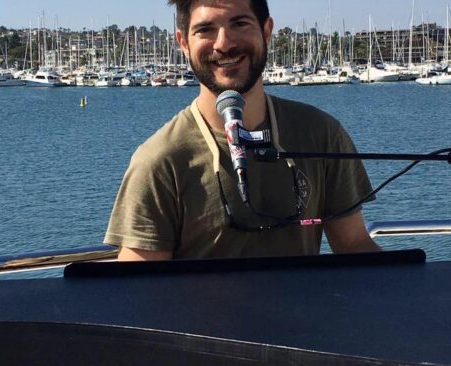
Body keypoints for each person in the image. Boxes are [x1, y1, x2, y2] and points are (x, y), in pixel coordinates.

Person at [105, 0, 381, 261]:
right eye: (205, 30)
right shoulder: (159, 160)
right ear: (183, 43)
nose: (224, 44)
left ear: (267, 31)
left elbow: (353, 244)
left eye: (239, 24)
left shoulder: (322, 133)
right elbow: (139, 283)